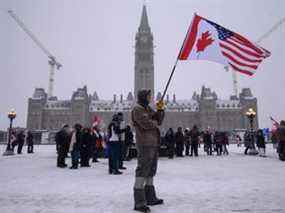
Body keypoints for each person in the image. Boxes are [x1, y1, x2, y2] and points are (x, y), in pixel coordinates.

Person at [131, 89, 165, 212]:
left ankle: (150, 197)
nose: (150, 98)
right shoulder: (137, 109)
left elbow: (158, 120)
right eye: (149, 96)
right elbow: (146, 124)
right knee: (142, 170)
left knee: (151, 170)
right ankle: (139, 202)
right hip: (144, 143)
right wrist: (155, 121)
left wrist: (160, 109)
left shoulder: (148, 109)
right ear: (143, 97)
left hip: (153, 143)